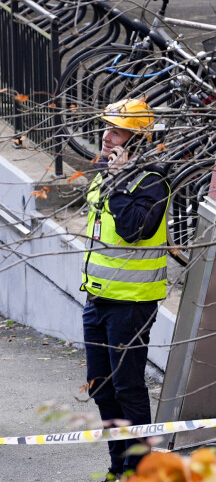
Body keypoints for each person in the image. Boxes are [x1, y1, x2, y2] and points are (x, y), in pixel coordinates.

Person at [79, 99, 169, 481]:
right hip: (97, 297)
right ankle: (119, 467)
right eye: (106, 127)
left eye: (115, 130)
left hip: (131, 303)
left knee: (128, 388)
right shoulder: (104, 171)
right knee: (101, 387)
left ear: (135, 139)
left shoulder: (152, 179)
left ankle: (140, 470)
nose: (105, 135)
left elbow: (135, 229)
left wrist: (117, 179)